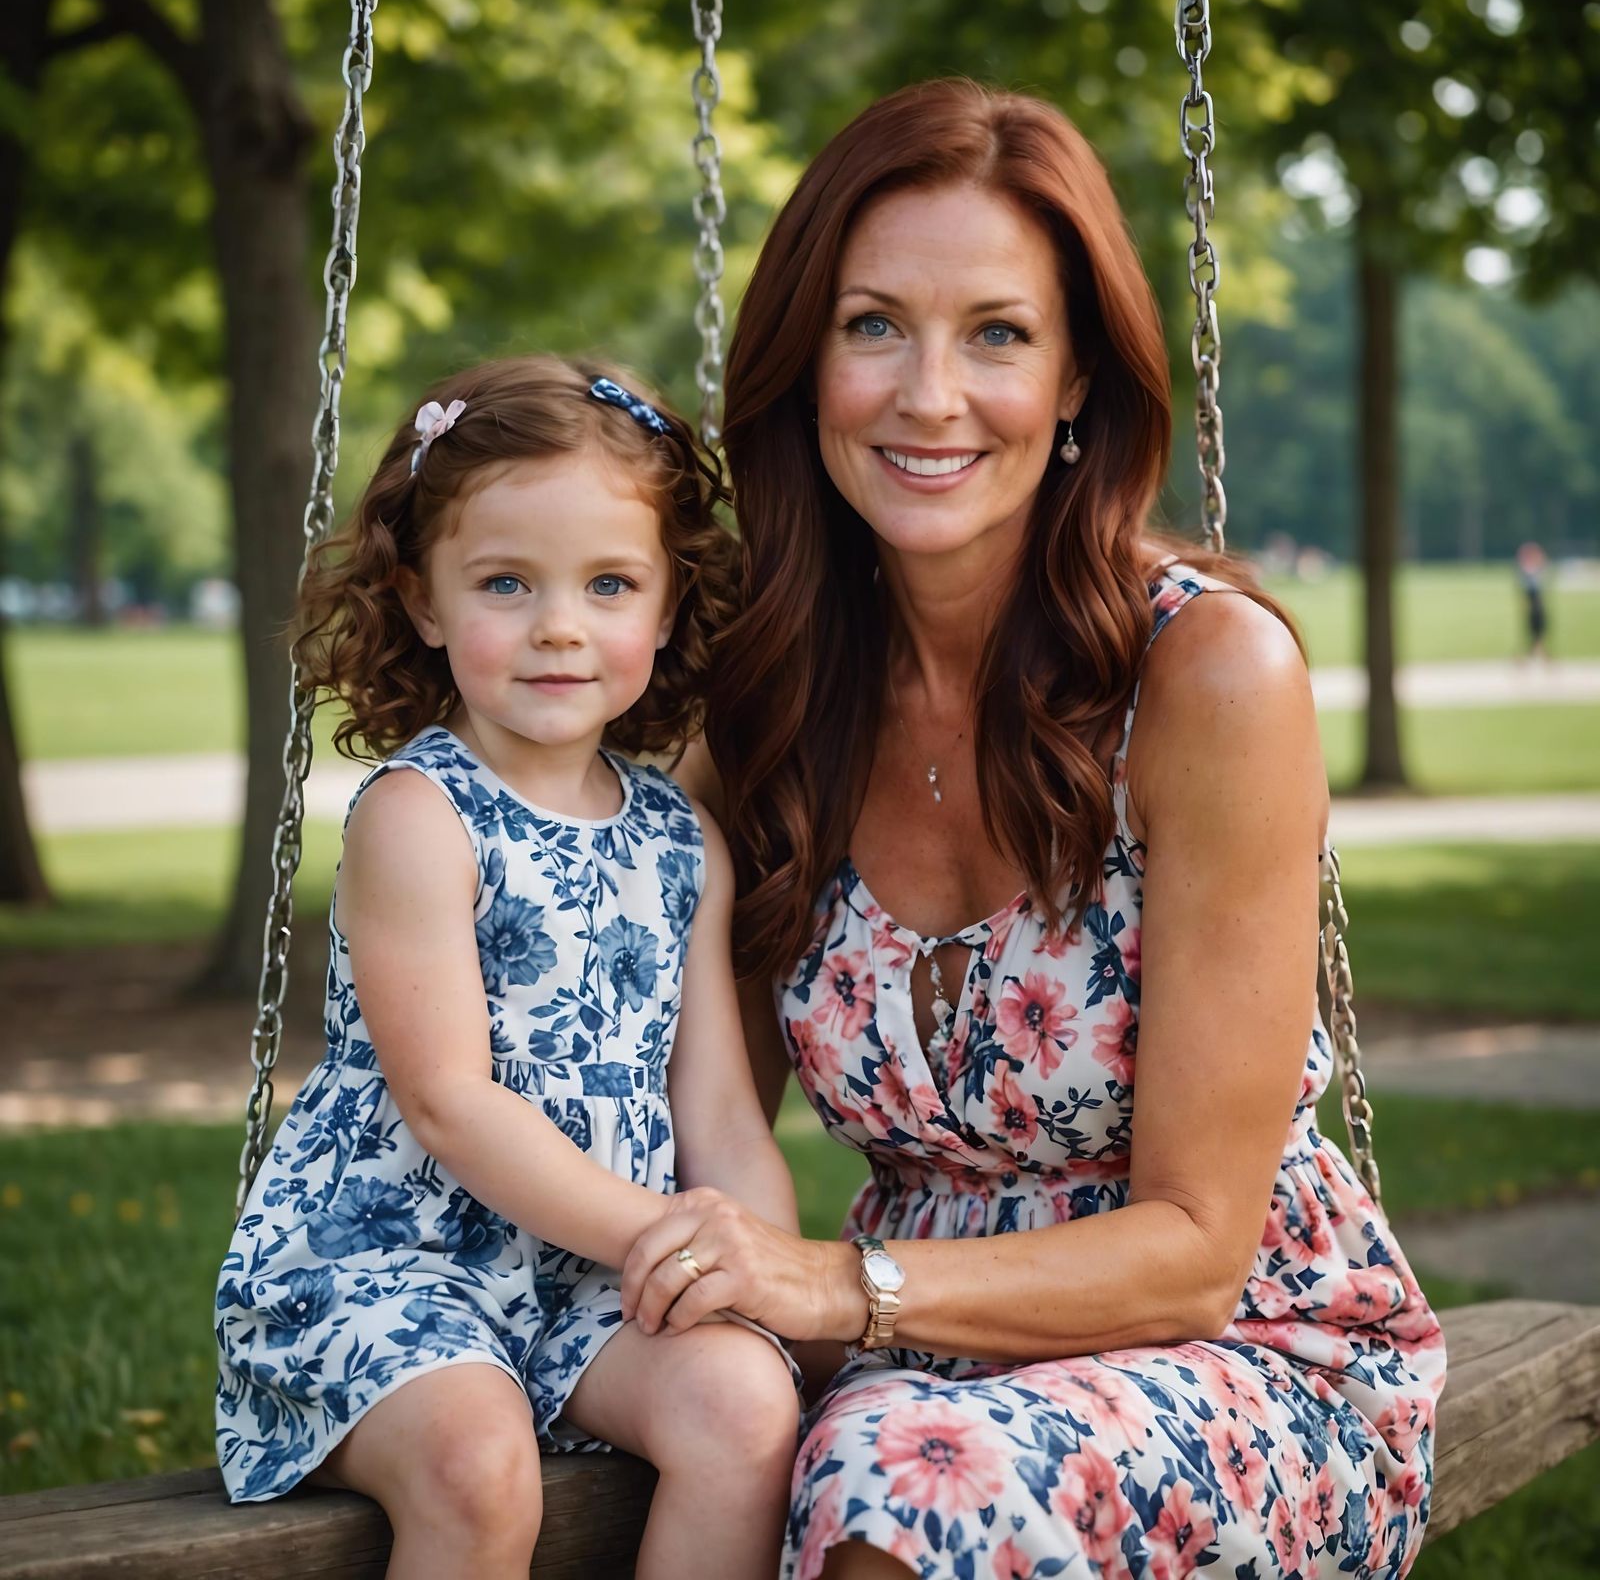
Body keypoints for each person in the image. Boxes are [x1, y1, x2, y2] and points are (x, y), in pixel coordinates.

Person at [641, 81, 1446, 1579]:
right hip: (918, 1365)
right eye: (873, 324)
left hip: (1256, 1359)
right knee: (803, 1451)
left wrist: (836, 1288)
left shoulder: (1207, 679)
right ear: (804, 364)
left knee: (902, 1485)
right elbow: (690, 1122)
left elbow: (1201, 1246)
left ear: (1077, 379)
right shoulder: (763, 717)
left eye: (997, 334)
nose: (927, 395)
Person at [214, 356, 802, 1579]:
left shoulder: (676, 838)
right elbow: (451, 1102)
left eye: (608, 583)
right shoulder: (420, 815)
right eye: (504, 583)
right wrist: (663, 1231)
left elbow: (721, 1110)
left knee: (746, 1406)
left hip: (589, 1285)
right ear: (422, 600)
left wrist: (769, 1273)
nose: (559, 626)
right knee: (478, 1465)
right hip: (390, 1268)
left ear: (667, 603)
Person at [1517, 540, 1550, 663]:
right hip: (1534, 606)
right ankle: (1541, 658)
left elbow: (1542, 565)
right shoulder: (1528, 573)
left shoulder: (1534, 571)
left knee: (1538, 635)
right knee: (1536, 635)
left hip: (1537, 606)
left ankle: (1538, 657)